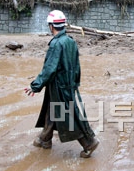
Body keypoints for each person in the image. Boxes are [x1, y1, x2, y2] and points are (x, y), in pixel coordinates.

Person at [24, 10, 99, 158]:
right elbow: (76, 65)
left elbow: (49, 69)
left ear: (51, 26)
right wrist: (75, 83)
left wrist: (35, 85)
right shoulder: (70, 41)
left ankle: (88, 142)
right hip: (68, 85)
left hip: (58, 86)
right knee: (53, 111)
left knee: (68, 115)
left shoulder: (56, 44)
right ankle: (44, 139)